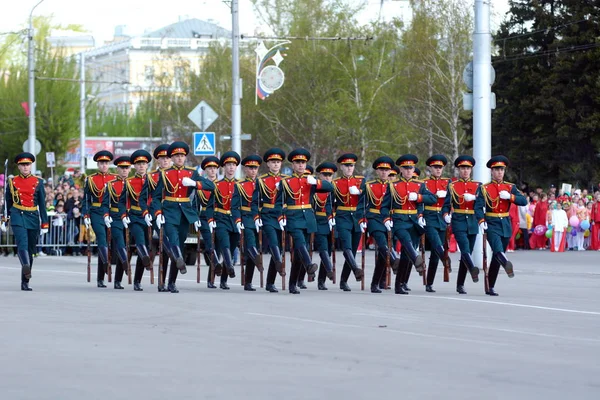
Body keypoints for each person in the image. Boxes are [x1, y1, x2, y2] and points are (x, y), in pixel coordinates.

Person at [150, 142, 214, 293]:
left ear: (185, 157)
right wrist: (158, 213)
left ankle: (171, 282)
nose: (179, 158)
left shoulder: (192, 173)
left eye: (182, 156)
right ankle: (173, 267)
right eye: (177, 156)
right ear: (172, 157)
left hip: (185, 214)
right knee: (173, 244)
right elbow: (156, 197)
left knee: (179, 245)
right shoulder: (165, 174)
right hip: (169, 212)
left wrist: (195, 183)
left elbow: (211, 186)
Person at [277, 148, 334, 294]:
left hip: (308, 217)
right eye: (298, 162)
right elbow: (279, 202)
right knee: (300, 242)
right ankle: (309, 265)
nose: (301, 165)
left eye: (303, 162)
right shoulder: (286, 182)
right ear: (293, 165)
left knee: (298, 253)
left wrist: (316, 182)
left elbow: (330, 187)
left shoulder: (311, 180)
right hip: (293, 216)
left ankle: (292, 284)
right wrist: (281, 216)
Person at [381, 154, 435, 295]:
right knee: (405, 241)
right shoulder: (393, 186)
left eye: (411, 167)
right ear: (401, 169)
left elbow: (433, 199)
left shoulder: (420, 185)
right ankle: (418, 260)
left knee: (405, 256)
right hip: (399, 221)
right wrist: (386, 218)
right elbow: (384, 206)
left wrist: (418, 197)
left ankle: (400, 285)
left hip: (414, 222)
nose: (409, 170)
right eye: (406, 168)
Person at [1, 152, 49, 291]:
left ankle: (25, 281)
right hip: (17, 213)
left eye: (27, 164)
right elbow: (7, 203)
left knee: (30, 249)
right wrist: (4, 220)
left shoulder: (39, 182)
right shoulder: (12, 181)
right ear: (18, 166)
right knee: (22, 242)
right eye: (22, 165)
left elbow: (42, 204)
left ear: (31, 165)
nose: (25, 167)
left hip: (33, 215)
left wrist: (44, 222)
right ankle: (26, 267)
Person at [480, 155, 528, 296]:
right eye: (497, 170)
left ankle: (491, 286)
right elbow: (478, 207)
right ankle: (506, 263)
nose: (499, 172)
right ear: (492, 172)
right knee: (498, 249)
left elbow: (523, 201)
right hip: (491, 223)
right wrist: (481, 221)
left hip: (505, 224)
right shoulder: (484, 188)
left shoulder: (510, 187)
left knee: (496, 256)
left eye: (501, 169)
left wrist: (510, 197)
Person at [357, 156, 401, 293]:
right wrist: (361, 219)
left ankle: (376, 283)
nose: (384, 172)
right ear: (377, 171)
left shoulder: (394, 186)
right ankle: (394, 261)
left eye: (386, 170)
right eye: (381, 169)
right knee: (382, 245)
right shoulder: (369, 186)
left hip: (390, 219)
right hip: (374, 218)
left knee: (383, 254)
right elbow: (361, 206)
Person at [441, 155, 482, 294]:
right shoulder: (452, 186)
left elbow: (483, 203)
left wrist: (475, 198)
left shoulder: (478, 186)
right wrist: (446, 215)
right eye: (463, 168)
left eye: (468, 168)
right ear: (459, 169)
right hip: (458, 220)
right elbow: (446, 204)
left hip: (472, 220)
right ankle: (472, 269)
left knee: (467, 253)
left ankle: (460, 284)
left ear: (471, 170)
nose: (465, 171)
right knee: (464, 248)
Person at [253, 148, 287, 293]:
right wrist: (256, 217)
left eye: (278, 162)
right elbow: (255, 202)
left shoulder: (286, 180)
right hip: (267, 214)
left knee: (280, 248)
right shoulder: (261, 181)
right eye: (273, 162)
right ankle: (279, 263)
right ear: (268, 164)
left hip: (283, 216)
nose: (276, 165)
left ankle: (270, 282)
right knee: (273, 243)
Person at [119, 150, 153, 291]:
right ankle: (145, 257)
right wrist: (123, 215)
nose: (141, 166)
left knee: (147, 249)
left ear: (147, 165)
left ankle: (137, 280)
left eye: (143, 163)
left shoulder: (153, 180)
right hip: (135, 216)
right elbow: (122, 202)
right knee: (140, 243)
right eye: (138, 164)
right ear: (134, 166)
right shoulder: (129, 182)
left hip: (150, 217)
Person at [83, 150, 117, 288]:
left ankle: (102, 276)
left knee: (113, 242)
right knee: (102, 239)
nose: (104, 165)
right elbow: (86, 199)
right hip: (96, 211)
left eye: (106, 163)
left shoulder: (115, 178)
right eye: (101, 163)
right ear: (98, 164)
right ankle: (103, 271)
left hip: (112, 212)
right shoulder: (91, 179)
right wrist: (86, 214)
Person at [332, 153, 365, 292]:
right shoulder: (335, 183)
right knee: (347, 247)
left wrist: (360, 192)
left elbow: (366, 200)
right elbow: (330, 203)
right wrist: (331, 216)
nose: (349, 168)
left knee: (353, 250)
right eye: (346, 165)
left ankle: (343, 280)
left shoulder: (361, 181)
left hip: (357, 217)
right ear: (341, 167)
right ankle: (356, 269)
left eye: (351, 165)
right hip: (342, 215)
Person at [233, 154, 264, 291]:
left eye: (255, 168)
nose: (253, 170)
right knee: (251, 245)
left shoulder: (263, 183)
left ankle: (248, 281)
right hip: (246, 217)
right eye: (250, 168)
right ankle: (256, 262)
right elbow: (234, 206)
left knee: (255, 249)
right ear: (245, 169)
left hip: (262, 218)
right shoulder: (240, 185)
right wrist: (238, 219)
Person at [144, 144, 173, 292]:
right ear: (158, 160)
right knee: (165, 245)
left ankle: (169, 281)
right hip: (156, 214)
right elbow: (146, 197)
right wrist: (147, 212)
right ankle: (161, 281)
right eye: (163, 158)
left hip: (172, 214)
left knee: (168, 246)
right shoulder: (152, 176)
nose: (166, 161)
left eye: (168, 158)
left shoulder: (176, 175)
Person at [422, 155, 452, 293]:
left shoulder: (448, 183)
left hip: (441, 217)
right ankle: (446, 259)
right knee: (436, 243)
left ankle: (429, 283)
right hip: (429, 216)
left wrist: (447, 214)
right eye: (435, 167)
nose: (438, 170)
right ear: (430, 168)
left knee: (434, 254)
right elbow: (421, 201)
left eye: (440, 167)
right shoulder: (424, 183)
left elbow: (450, 201)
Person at [213, 151, 241, 290]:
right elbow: (210, 204)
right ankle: (230, 266)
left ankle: (224, 279)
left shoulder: (240, 185)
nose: (231, 167)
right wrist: (211, 219)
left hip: (235, 220)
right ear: (224, 167)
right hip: (221, 218)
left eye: (233, 165)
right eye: (228, 165)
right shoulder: (217, 184)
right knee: (224, 244)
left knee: (231, 246)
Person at [307, 162, 337, 290]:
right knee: (318, 249)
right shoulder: (315, 188)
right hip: (316, 220)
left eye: (330, 175)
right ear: (319, 175)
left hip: (330, 221)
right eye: (325, 174)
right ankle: (303, 278)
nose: (327, 177)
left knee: (328, 251)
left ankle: (321, 280)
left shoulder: (333, 189)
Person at [103, 156, 132, 289]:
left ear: (130, 169)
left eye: (127, 167)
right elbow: (104, 204)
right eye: (122, 168)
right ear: (117, 169)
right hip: (115, 216)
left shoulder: (135, 183)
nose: (124, 170)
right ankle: (124, 269)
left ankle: (118, 279)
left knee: (128, 248)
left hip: (132, 216)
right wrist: (106, 215)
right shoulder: (111, 185)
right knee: (120, 245)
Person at [195, 156, 222, 289]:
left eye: (214, 168)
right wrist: (195, 219)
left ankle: (216, 278)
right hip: (204, 217)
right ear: (205, 170)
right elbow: (195, 205)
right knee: (210, 246)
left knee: (218, 248)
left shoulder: (222, 184)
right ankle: (212, 277)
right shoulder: (201, 186)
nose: (212, 170)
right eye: (209, 168)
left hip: (220, 217)